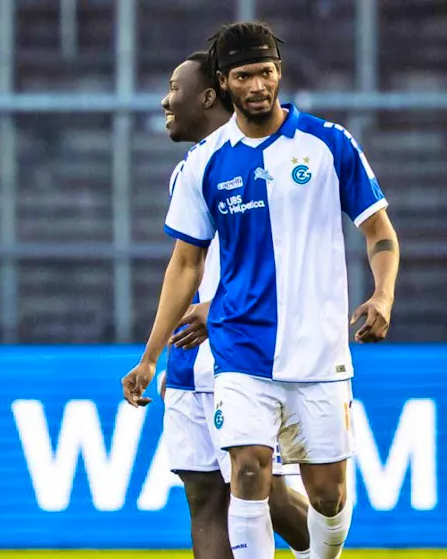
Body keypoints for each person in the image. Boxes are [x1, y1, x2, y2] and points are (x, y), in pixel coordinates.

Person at [123, 21, 400, 559]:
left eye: (266, 72)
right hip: (239, 350)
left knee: (328, 496)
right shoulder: (204, 163)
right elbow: (185, 264)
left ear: (279, 74)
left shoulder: (328, 144)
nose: (257, 85)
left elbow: (379, 232)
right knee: (246, 470)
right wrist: (150, 356)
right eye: (245, 75)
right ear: (225, 83)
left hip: (318, 351)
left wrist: (383, 294)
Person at [157, 51, 310, 559]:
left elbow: (289, 260)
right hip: (188, 353)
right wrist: (153, 354)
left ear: (206, 96)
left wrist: (220, 309)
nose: (165, 100)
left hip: (244, 348)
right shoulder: (189, 170)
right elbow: (184, 266)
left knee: (266, 494)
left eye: (174, 88)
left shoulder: (270, 163)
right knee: (203, 499)